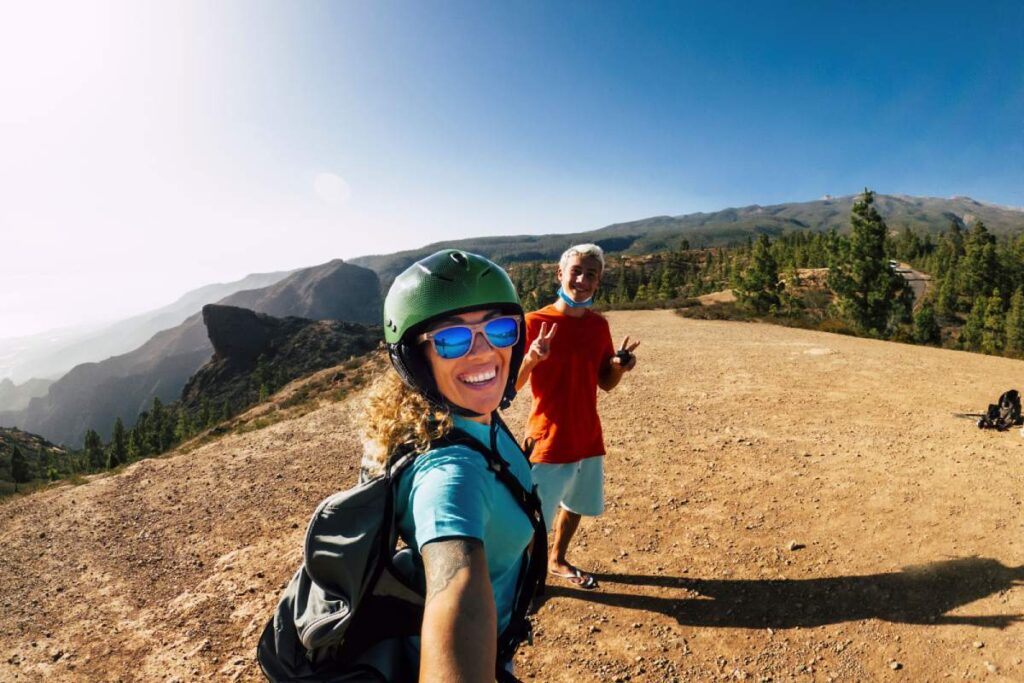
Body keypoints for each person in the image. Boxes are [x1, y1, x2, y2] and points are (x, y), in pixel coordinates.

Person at [361, 248, 542, 681]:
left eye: (499, 330)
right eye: (452, 339)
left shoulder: (463, 417)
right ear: (415, 358)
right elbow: (454, 586)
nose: (483, 352)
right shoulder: (448, 473)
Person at [516, 243, 639, 590]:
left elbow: (606, 383)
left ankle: (556, 560)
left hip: (587, 436)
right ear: (560, 274)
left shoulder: (599, 326)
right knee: (533, 516)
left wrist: (618, 367)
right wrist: (530, 360)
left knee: (576, 504)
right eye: (576, 271)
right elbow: (514, 385)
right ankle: (525, 576)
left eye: (591, 275)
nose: (582, 280)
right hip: (547, 438)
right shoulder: (534, 322)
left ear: (598, 282)